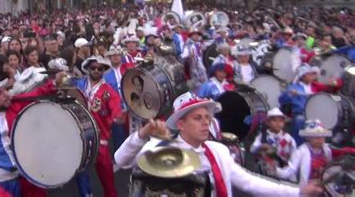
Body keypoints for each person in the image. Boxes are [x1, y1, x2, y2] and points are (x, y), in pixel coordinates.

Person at [114, 92, 323, 197]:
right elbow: (121, 160)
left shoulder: (218, 150)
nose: (206, 122)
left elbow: (250, 182)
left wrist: (298, 191)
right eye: (198, 118)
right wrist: (142, 134)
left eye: (208, 117)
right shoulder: (163, 151)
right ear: (181, 124)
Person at [0, 69, 63, 196]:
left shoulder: (15, 104)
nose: (6, 94)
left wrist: (55, 82)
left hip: (28, 174)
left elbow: (38, 93)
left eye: (4, 90)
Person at [74, 56, 122, 197]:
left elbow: (116, 109)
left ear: (103, 71)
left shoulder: (109, 91)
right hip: (80, 137)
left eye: (99, 69)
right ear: (88, 69)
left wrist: (117, 116)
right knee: (81, 173)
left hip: (100, 139)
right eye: (93, 68)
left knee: (106, 176)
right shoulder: (79, 86)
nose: (96, 70)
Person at [276, 119, 355, 186]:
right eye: (316, 136)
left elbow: (344, 151)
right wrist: (276, 170)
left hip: (325, 186)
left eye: (322, 136)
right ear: (308, 137)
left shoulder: (327, 149)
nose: (320, 139)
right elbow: (290, 170)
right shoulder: (300, 152)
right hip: (308, 188)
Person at [278, 63, 341, 145]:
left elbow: (331, 87)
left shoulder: (315, 86)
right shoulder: (294, 87)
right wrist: (290, 94)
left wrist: (334, 83)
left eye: (312, 74)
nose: (312, 76)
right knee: (300, 120)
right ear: (303, 76)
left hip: (316, 114)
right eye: (309, 74)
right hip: (300, 113)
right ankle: (298, 145)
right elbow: (281, 100)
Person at [250, 108, 297, 179]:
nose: (278, 123)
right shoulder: (263, 135)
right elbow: (252, 149)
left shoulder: (288, 138)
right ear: (268, 122)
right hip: (265, 170)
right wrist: (260, 147)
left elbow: (294, 155)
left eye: (281, 121)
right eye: (274, 120)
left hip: (283, 169)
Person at [181, 26, 207, 93]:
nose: (196, 36)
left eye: (197, 35)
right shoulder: (188, 45)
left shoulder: (198, 44)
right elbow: (183, 57)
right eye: (194, 34)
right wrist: (189, 57)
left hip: (201, 70)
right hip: (194, 71)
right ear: (191, 36)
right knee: (197, 89)